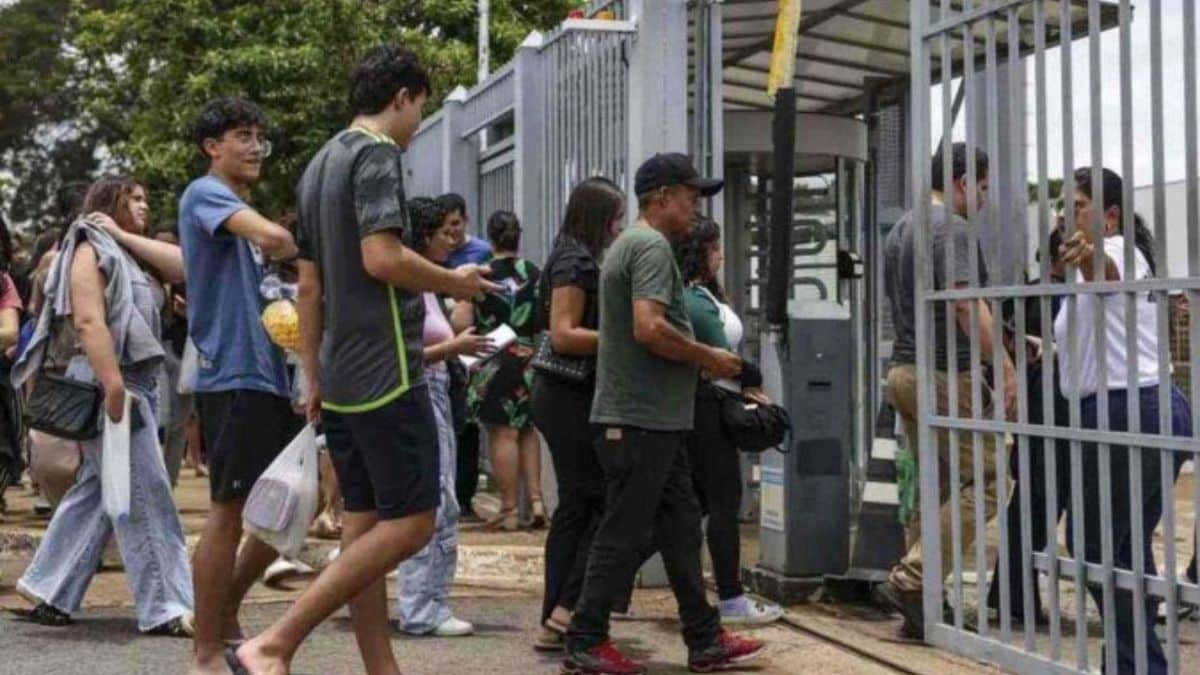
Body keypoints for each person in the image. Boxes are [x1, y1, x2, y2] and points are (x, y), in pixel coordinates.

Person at [229, 43, 498, 675]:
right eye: (420, 109)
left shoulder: (319, 164)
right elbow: (383, 259)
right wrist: (456, 282)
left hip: (343, 376)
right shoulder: (377, 155)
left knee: (365, 526)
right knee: (413, 525)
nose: (417, 124)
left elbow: (310, 287)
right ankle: (274, 643)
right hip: (390, 368)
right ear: (401, 97)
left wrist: (315, 375)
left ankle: (382, 668)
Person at [563, 153, 764, 675]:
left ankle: (704, 638)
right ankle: (585, 637)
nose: (696, 210)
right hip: (639, 420)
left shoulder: (636, 245)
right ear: (661, 199)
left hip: (655, 420)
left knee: (680, 530)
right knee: (623, 529)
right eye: (691, 198)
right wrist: (708, 357)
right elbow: (649, 328)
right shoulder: (650, 247)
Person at [11, 176, 194, 636]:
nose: (144, 206)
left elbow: (185, 266)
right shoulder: (88, 249)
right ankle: (168, 604)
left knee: (98, 491)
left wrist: (123, 233)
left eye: (146, 198)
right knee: (145, 494)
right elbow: (90, 320)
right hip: (110, 380)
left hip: (135, 381)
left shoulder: (126, 249)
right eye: (134, 198)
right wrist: (113, 385)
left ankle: (49, 587)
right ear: (108, 203)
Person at [180, 98, 303, 675]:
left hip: (265, 374)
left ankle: (225, 611)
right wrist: (285, 239)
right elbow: (276, 238)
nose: (255, 147)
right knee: (227, 514)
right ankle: (205, 649)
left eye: (260, 137)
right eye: (242, 136)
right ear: (213, 147)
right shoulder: (206, 194)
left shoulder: (229, 208)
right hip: (230, 373)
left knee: (288, 505)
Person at [1053, 167, 1192, 675]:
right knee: (1124, 546)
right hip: (1145, 408)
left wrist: (1090, 255)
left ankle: (1140, 666)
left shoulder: (1118, 251)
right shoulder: (1091, 270)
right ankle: (1130, 662)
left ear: (1109, 217)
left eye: (1079, 205)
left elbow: (1105, 271)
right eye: (1061, 204)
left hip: (1126, 411)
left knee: (1094, 546)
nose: (1065, 214)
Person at [874, 143, 1013, 641]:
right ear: (960, 182)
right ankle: (914, 578)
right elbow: (962, 304)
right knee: (995, 478)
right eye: (981, 187)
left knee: (935, 486)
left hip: (904, 371)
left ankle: (925, 603)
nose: (983, 198)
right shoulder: (950, 228)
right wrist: (1005, 364)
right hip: (943, 374)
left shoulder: (903, 228)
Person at [674, 216, 784, 626]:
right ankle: (732, 601)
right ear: (700, 253)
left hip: (713, 403)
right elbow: (721, 356)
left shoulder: (702, 295)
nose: (721, 254)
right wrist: (752, 378)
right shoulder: (694, 299)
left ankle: (606, 589)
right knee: (722, 503)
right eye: (716, 247)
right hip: (709, 409)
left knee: (694, 504)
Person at [391, 197, 493, 637]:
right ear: (423, 238)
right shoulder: (409, 285)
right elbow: (401, 354)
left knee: (441, 499)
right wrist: (453, 348)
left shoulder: (427, 285)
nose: (453, 238)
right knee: (433, 499)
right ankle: (420, 606)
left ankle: (431, 601)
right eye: (444, 232)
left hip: (435, 388)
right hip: (420, 391)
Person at [533, 176, 625, 651]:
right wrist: (624, 339)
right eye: (614, 217)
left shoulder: (572, 254)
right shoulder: (574, 261)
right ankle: (566, 608)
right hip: (567, 394)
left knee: (577, 503)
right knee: (595, 499)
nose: (618, 228)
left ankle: (558, 613)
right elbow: (564, 334)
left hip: (563, 394)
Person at [454, 210, 544, 531]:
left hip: (493, 356)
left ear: (491, 238)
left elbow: (461, 322)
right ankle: (536, 500)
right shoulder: (534, 273)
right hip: (527, 355)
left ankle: (508, 507)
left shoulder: (481, 274)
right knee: (527, 429)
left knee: (501, 432)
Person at [438, 192, 491, 522]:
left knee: (467, 424)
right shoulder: (434, 256)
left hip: (472, 345)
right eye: (445, 227)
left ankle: (465, 495)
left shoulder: (481, 252)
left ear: (466, 221)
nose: (452, 233)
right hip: (442, 345)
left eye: (456, 225)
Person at [442, 192, 494, 268]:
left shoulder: (484, 250)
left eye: (455, 224)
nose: (451, 230)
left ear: (465, 220)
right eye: (444, 225)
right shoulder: (435, 252)